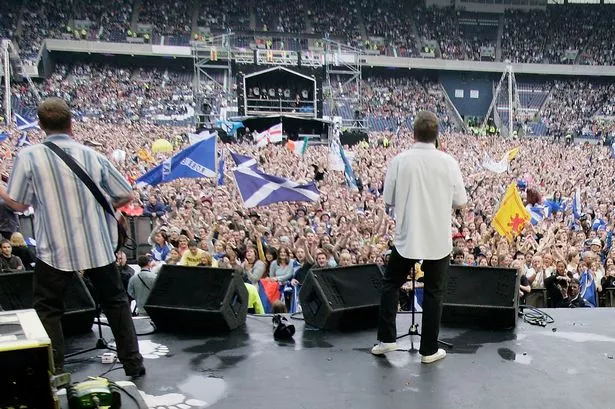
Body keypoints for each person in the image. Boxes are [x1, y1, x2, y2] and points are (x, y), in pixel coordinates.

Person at [0, 98, 144, 376]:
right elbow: (125, 194)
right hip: (97, 244)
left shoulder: (28, 156)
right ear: (71, 123)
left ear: (41, 125)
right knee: (115, 303)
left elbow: (17, 204)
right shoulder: (92, 155)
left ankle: (55, 371)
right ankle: (133, 363)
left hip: (54, 248)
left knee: (49, 309)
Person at [371, 111, 467, 364]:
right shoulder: (449, 162)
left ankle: (387, 339)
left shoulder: (400, 161)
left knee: (391, 284)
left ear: (413, 134)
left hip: (407, 235)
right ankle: (428, 350)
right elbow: (461, 201)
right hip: (438, 238)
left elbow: (388, 199)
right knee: (435, 292)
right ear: (437, 136)